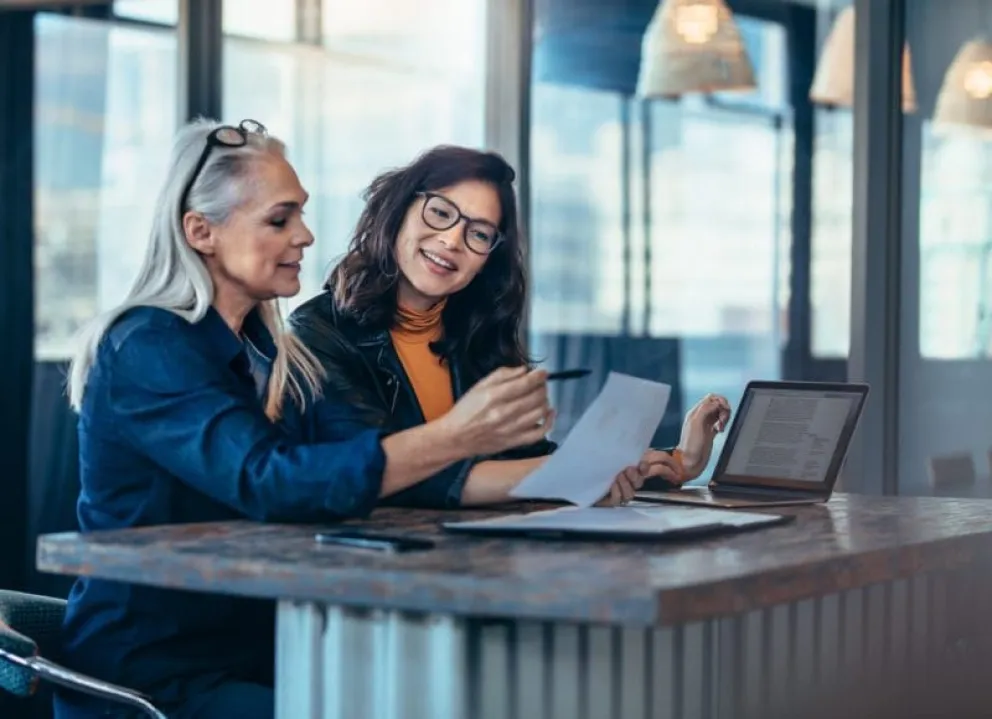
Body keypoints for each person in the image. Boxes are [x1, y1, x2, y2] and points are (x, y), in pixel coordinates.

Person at [55, 121, 580, 719]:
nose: (305, 236)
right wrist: (458, 433)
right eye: (280, 220)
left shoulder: (279, 356)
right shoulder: (147, 346)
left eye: (301, 215)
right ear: (201, 232)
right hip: (160, 675)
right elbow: (268, 480)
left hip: (262, 650)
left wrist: (583, 472)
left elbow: (374, 462)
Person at [289, 145, 731, 508]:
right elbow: (386, 473)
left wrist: (675, 461)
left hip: (483, 560)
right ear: (399, 210)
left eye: (479, 233)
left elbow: (526, 463)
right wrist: (577, 474)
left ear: (488, 259)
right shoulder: (317, 333)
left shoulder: (476, 334)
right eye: (440, 213)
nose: (452, 241)